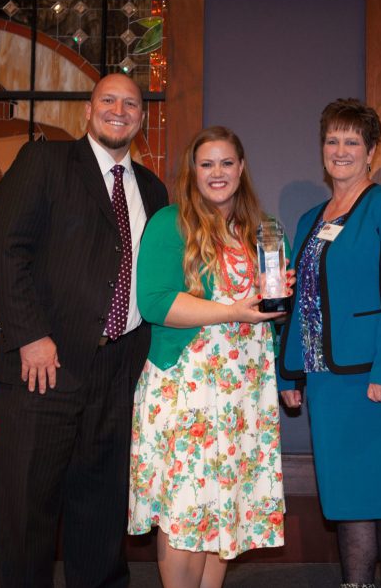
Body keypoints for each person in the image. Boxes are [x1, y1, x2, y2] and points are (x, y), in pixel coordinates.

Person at [0, 72, 168, 588]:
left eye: (130, 103)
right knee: (27, 514)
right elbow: (5, 247)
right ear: (87, 111)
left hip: (116, 372)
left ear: (142, 117)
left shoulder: (153, 189)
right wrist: (30, 335)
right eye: (108, 100)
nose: (119, 109)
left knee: (101, 513)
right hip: (42, 368)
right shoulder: (45, 162)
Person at [128, 126, 290, 588]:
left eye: (226, 163)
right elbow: (156, 302)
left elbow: (273, 313)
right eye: (207, 164)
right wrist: (234, 311)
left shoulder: (267, 229)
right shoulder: (170, 223)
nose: (217, 173)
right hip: (187, 387)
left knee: (225, 506)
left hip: (244, 392)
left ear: (241, 168)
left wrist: (279, 302)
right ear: (192, 171)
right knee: (185, 507)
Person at [278, 99, 381, 588]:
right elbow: (299, 299)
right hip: (327, 384)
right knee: (349, 502)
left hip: (379, 377)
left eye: (351, 141)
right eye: (332, 140)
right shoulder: (308, 220)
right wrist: (290, 372)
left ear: (370, 151)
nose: (340, 150)